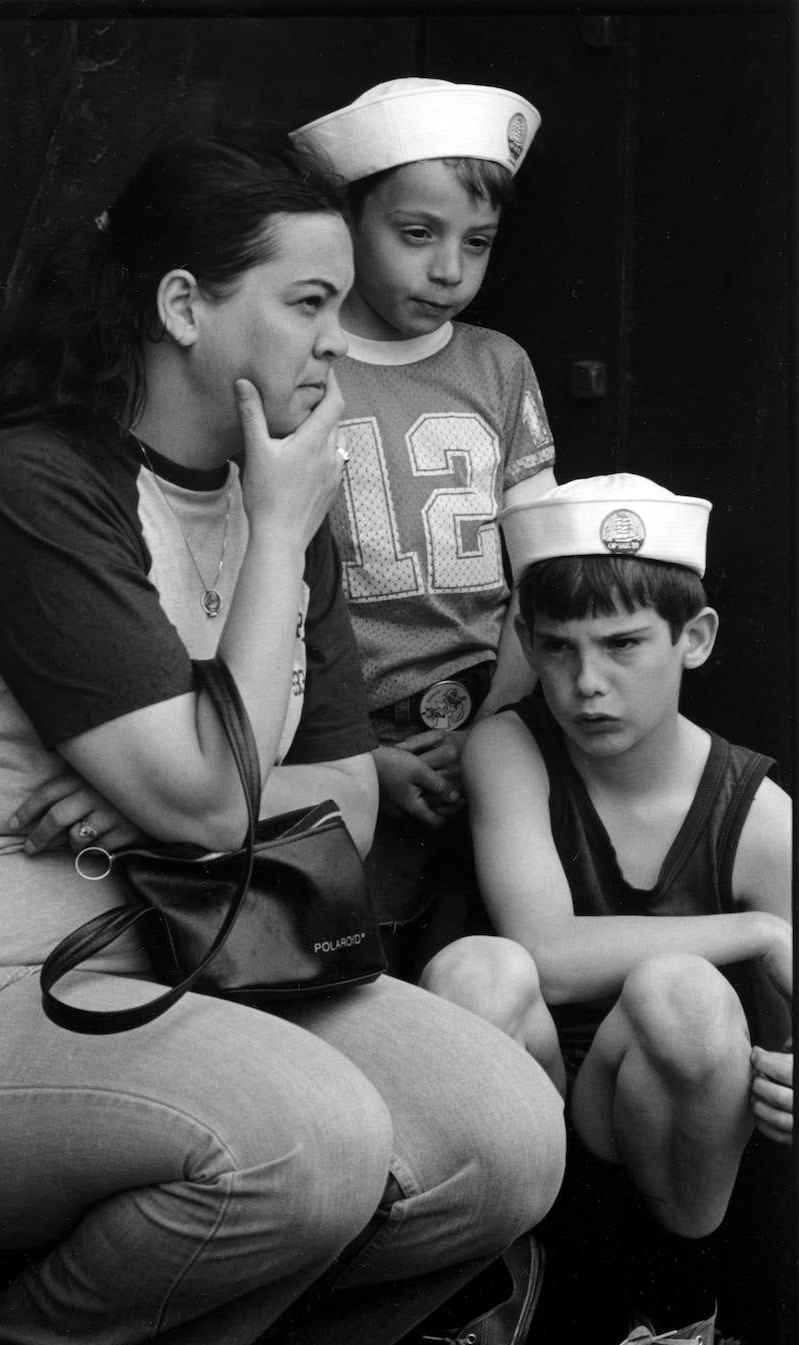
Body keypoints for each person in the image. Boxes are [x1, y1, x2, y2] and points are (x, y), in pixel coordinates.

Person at [0, 130, 566, 1345]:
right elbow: (212, 801)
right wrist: (202, 779)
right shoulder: (33, 487)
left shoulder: (278, 501)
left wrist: (176, 787)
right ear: (184, 306)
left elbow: (347, 806)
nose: (337, 340)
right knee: (310, 1139)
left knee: (501, 1139)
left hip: (215, 951)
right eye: (309, 303)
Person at [456, 473, 792, 1345]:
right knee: (476, 972)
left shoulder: (755, 811)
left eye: (623, 644)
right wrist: (756, 933)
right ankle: (497, 1295)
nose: (586, 684)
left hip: (671, 1123)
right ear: (526, 643)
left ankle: (681, 1310)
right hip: (536, 1106)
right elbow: (543, 954)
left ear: (696, 638)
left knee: (680, 990)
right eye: (557, 648)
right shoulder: (509, 747)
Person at [289, 77, 557, 977]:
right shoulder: (305, 365)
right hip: (335, 738)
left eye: (476, 243)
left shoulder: (497, 366)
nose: (450, 269)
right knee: (346, 964)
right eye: (417, 234)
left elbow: (541, 569)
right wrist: (359, 754)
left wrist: (493, 724)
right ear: (346, 221)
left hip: (488, 723)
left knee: (482, 957)